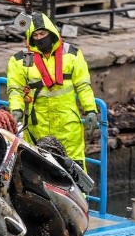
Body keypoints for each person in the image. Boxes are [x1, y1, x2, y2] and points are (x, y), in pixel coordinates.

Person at [6, 12, 99, 167]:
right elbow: (15, 90)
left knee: (74, 171)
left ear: (51, 32)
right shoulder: (20, 60)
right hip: (37, 128)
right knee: (39, 173)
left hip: (68, 127)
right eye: (35, 35)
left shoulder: (72, 54)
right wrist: (16, 109)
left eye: (42, 33)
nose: (39, 38)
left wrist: (90, 110)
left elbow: (83, 86)